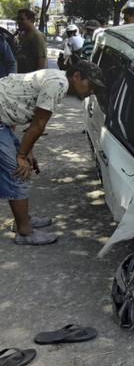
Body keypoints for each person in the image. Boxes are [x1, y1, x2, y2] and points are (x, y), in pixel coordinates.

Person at [0, 60, 105, 245]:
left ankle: (23, 219)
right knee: (18, 171)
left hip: (3, 120)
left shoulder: (56, 78)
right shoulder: (59, 84)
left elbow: (17, 107)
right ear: (77, 76)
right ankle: (24, 231)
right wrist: (21, 156)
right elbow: (39, 123)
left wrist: (27, 150)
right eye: (91, 85)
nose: (92, 91)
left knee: (21, 166)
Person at [15, 9, 47, 73]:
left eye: (22, 19)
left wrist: (37, 78)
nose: (18, 21)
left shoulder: (37, 36)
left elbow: (41, 59)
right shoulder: (23, 36)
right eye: (18, 19)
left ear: (31, 20)